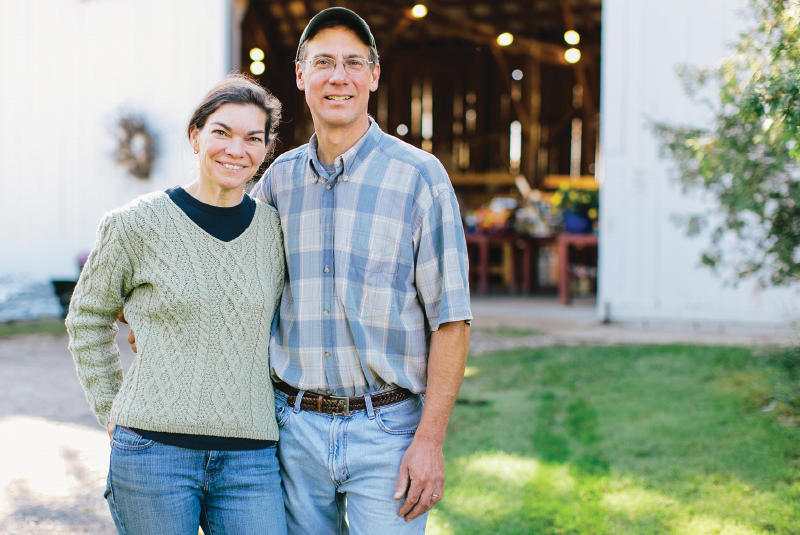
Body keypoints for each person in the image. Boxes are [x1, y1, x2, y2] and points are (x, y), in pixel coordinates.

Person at [252, 8, 471, 533]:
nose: (338, 76)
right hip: (294, 430)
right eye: (323, 62)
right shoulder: (277, 183)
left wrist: (430, 441)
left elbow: (452, 320)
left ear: (374, 75)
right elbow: (234, 283)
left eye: (353, 62)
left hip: (389, 432)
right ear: (301, 75)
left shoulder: (420, 178)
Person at [66, 74, 287, 535]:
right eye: (221, 132)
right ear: (195, 136)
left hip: (251, 460)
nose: (235, 149)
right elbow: (87, 317)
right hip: (153, 456)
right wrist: (111, 409)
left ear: (266, 150)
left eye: (253, 138)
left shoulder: (276, 232)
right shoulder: (134, 224)